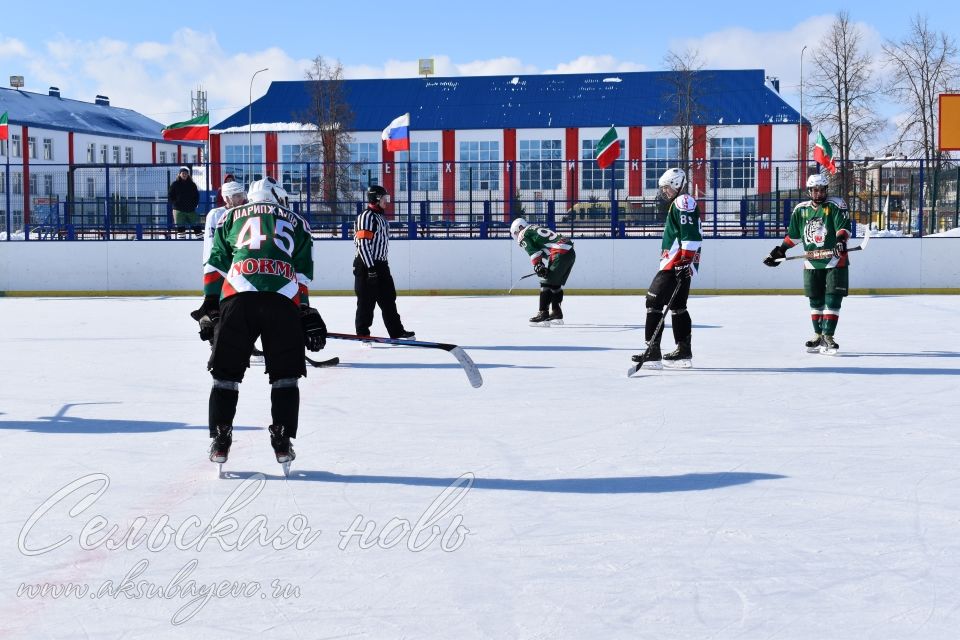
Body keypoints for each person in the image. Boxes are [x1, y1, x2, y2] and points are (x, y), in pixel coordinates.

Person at [195, 176, 326, 466]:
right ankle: (282, 439)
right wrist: (304, 311)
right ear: (275, 195)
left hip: (238, 297)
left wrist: (209, 302)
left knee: (225, 375)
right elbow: (302, 276)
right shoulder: (298, 221)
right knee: (286, 376)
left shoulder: (228, 216)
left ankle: (221, 437)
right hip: (283, 299)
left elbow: (215, 262)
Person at [763, 173, 851, 354]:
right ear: (809, 191)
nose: (818, 193)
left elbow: (843, 227)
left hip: (834, 260)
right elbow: (795, 236)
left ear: (826, 189)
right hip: (811, 261)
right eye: (815, 190)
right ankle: (818, 335)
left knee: (832, 297)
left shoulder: (836, 205)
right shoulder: (801, 210)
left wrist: (840, 241)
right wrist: (781, 250)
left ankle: (828, 336)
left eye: (821, 190)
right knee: (815, 299)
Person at [632, 167, 702, 369]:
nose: (664, 192)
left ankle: (652, 352)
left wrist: (683, 261)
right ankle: (683, 350)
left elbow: (690, 235)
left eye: (667, 188)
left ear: (677, 185)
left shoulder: (683, 201)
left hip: (676, 264)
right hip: (681, 263)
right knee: (678, 307)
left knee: (652, 302)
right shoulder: (679, 203)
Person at [353, 184, 415, 339]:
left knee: (388, 299)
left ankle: (397, 332)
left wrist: (378, 267)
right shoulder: (366, 217)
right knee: (366, 302)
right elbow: (363, 244)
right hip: (367, 264)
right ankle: (363, 334)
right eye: (383, 198)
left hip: (381, 264)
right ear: (375, 199)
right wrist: (371, 268)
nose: (386, 201)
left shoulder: (381, 217)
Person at [509, 218, 576, 325]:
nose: (517, 236)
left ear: (518, 228)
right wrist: (540, 265)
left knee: (546, 282)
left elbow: (533, 252)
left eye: (515, 233)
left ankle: (543, 313)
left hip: (560, 251)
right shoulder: (534, 228)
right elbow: (545, 248)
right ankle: (556, 312)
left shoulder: (523, 234)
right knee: (555, 284)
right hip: (570, 252)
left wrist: (538, 265)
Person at [168, 166, 201, 239]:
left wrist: (194, 204)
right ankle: (182, 241)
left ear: (188, 175)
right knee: (180, 226)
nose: (184, 175)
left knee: (196, 225)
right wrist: (175, 203)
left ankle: (200, 239)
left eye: (186, 173)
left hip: (190, 209)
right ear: (179, 174)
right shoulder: (175, 184)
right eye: (183, 173)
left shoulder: (192, 185)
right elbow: (170, 195)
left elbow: (196, 196)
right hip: (178, 210)